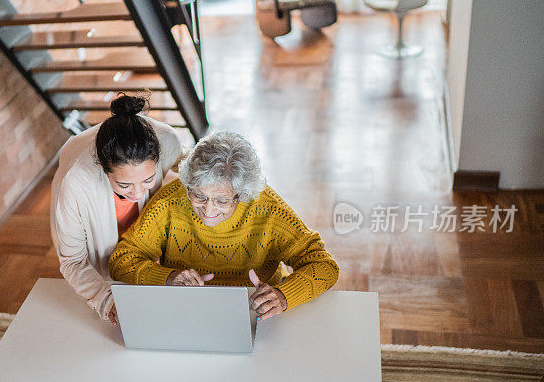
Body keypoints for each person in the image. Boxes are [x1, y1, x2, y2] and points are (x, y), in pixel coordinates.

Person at [109, 131, 339, 320]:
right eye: (198, 196)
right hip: (187, 307)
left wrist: (283, 295)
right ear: (188, 183)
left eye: (222, 201)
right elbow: (122, 259)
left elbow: (324, 266)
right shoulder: (170, 200)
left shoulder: (269, 209)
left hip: (255, 310)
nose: (208, 211)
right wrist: (167, 277)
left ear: (243, 194)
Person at [50, 95, 186, 325]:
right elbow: (73, 261)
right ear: (104, 170)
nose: (137, 193)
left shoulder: (167, 141)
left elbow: (194, 169)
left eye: (148, 179)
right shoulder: (76, 183)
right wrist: (105, 299)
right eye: (124, 185)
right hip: (98, 259)